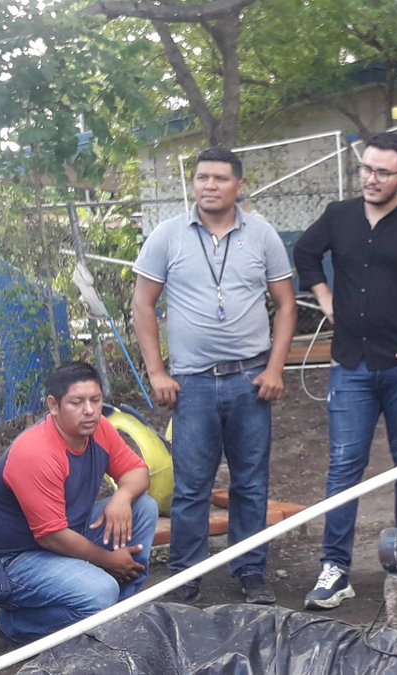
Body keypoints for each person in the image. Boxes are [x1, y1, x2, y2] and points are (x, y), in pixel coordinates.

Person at [293, 131, 397, 610]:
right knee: (344, 465)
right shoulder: (339, 216)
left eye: (383, 172)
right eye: (366, 168)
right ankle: (335, 567)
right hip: (351, 364)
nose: (371, 178)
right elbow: (305, 254)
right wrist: (323, 298)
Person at [133, 147, 296, 605]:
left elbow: (286, 304)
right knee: (191, 486)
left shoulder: (262, 235)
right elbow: (143, 304)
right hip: (193, 382)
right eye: (202, 177)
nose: (208, 185)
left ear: (238, 186)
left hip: (250, 381)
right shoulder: (168, 236)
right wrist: (157, 371)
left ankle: (250, 571)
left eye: (220, 178)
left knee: (250, 482)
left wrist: (275, 368)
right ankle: (186, 575)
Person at [0, 362, 157, 645]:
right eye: (77, 402)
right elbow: (52, 537)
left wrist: (122, 496)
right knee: (101, 591)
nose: (89, 410)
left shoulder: (99, 430)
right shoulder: (36, 452)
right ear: (53, 406)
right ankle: (16, 626)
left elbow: (138, 472)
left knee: (143, 509)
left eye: (95, 400)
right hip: (15, 561)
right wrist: (109, 561)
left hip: (69, 535)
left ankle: (118, 615)